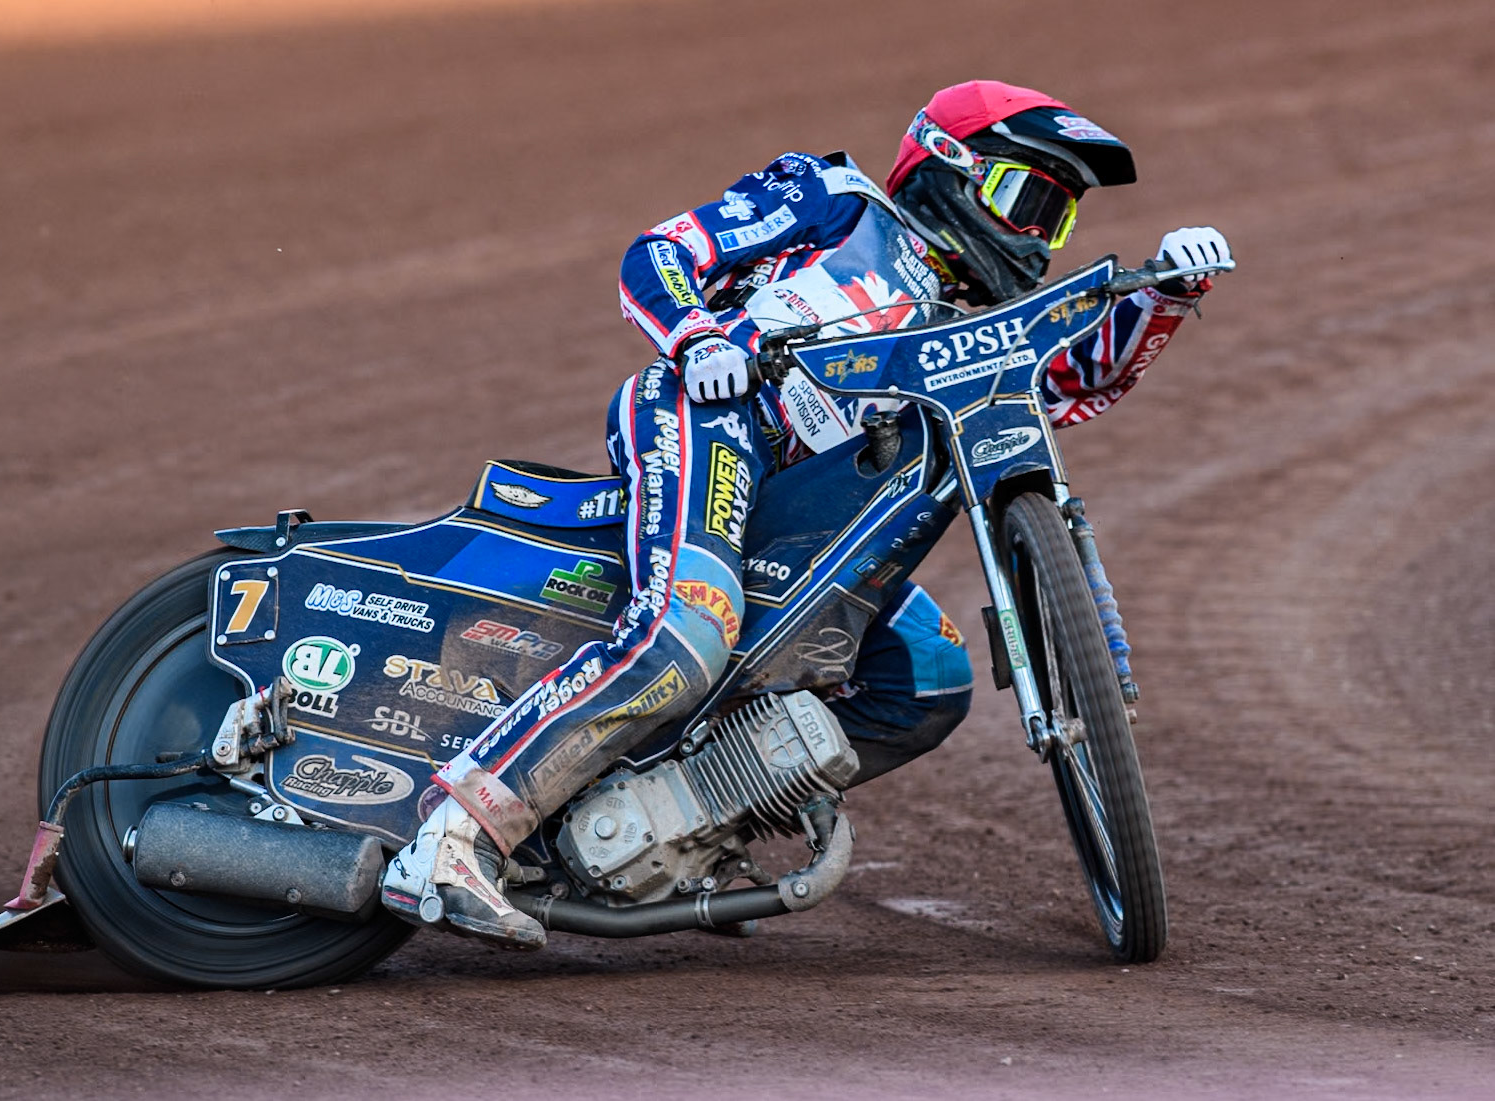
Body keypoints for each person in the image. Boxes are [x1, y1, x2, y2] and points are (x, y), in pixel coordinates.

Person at [382, 80, 1231, 949]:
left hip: (809, 520)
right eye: (1026, 200)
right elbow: (662, 252)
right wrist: (699, 339)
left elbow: (1061, 386)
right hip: (709, 417)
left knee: (928, 679)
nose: (1038, 238)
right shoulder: (832, 200)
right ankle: (450, 836)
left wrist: (1161, 297)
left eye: (1057, 220)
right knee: (685, 633)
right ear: (947, 168)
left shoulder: (964, 323)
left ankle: (688, 824)